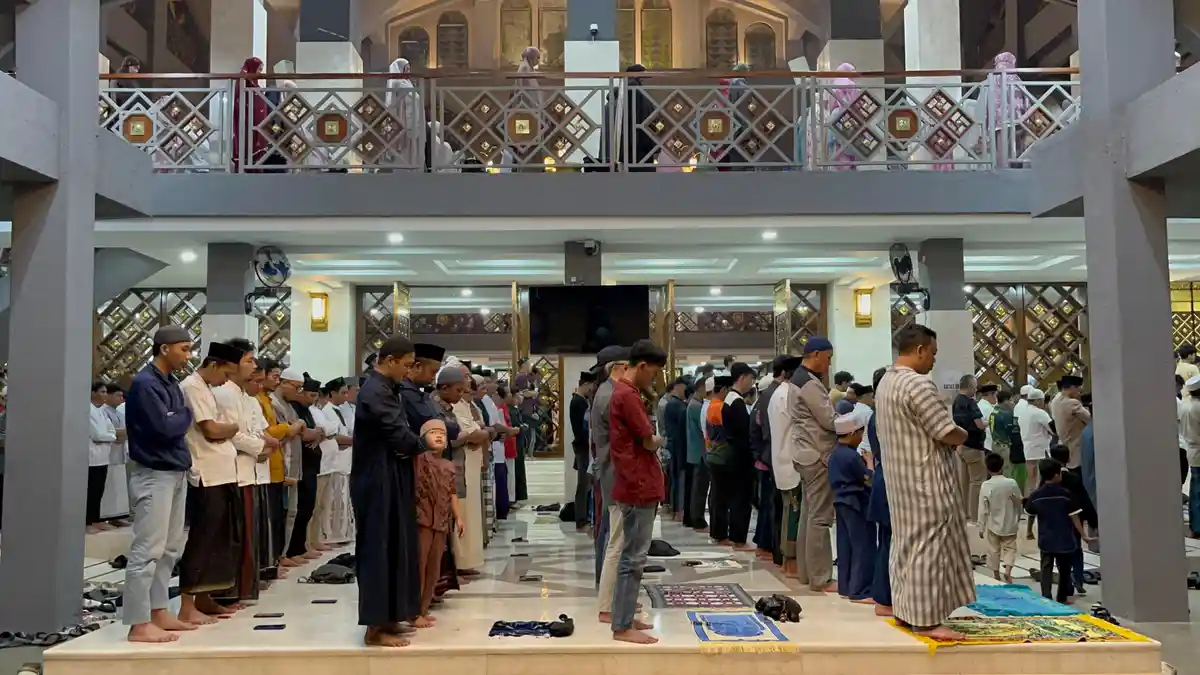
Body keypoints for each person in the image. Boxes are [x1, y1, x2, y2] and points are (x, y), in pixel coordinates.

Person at [875, 325, 972, 640]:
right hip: (926, 480)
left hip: (900, 480)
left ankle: (905, 611)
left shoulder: (887, 382)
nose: (933, 360)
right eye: (932, 353)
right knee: (929, 549)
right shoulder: (918, 385)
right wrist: (965, 434)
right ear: (919, 350)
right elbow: (944, 430)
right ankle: (927, 621)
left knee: (905, 545)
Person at [352, 335, 436, 647]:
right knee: (378, 548)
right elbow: (396, 432)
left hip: (392, 474)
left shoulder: (390, 388)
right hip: (376, 479)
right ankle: (375, 628)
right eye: (405, 365)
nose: (408, 371)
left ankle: (391, 616)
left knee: (397, 545)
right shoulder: (374, 390)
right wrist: (424, 443)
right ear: (389, 361)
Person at [123, 326, 197, 643]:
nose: (188, 355)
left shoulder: (170, 384)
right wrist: (182, 416)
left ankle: (158, 611)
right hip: (153, 471)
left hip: (175, 469)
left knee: (170, 548)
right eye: (184, 348)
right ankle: (138, 623)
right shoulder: (144, 384)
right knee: (147, 549)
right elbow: (165, 427)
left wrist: (180, 415)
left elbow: (180, 417)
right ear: (164, 349)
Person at [176, 340, 249, 626]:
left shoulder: (207, 388)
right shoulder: (192, 387)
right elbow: (211, 429)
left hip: (224, 472)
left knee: (221, 540)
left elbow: (223, 430)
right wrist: (232, 428)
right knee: (202, 540)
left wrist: (228, 429)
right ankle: (186, 604)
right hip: (206, 473)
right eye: (226, 374)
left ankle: (205, 598)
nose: (226, 381)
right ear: (214, 365)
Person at [607, 339, 667, 644]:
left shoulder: (624, 392)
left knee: (632, 557)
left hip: (635, 481)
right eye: (653, 373)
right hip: (637, 484)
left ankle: (625, 617)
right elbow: (645, 440)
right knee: (633, 559)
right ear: (642, 366)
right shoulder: (627, 395)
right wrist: (658, 440)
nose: (653, 379)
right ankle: (621, 626)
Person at [209, 338, 270, 606]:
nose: (254, 366)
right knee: (234, 536)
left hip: (251, 469)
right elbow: (232, 433)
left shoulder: (244, 396)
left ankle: (243, 589)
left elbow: (257, 428)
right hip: (234, 470)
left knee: (249, 535)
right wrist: (260, 447)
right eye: (249, 360)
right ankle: (227, 592)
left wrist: (262, 443)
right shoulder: (224, 394)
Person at [786, 337, 838, 592]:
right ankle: (820, 578)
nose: (829, 364)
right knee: (820, 517)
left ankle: (807, 574)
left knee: (808, 514)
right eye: (828, 358)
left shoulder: (798, 379)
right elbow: (828, 420)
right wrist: (853, 420)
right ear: (816, 354)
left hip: (804, 453)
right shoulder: (808, 383)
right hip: (816, 455)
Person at [438, 363, 489, 573]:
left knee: (469, 513)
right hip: (455, 464)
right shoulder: (443, 405)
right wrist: (481, 434)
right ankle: (459, 564)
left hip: (469, 463)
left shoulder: (463, 404)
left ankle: (468, 561)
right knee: (460, 513)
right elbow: (457, 436)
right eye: (463, 380)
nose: (467, 383)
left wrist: (482, 434)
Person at [413, 418, 463, 628]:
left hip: (441, 521)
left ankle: (423, 609)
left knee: (434, 567)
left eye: (441, 433)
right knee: (419, 566)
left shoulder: (448, 465)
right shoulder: (418, 460)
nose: (439, 436)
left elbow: (452, 493)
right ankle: (413, 611)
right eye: (433, 432)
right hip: (422, 520)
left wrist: (458, 516)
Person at [593, 346, 631, 613]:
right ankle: (609, 606)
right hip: (616, 476)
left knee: (615, 540)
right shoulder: (610, 396)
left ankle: (614, 601)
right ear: (620, 367)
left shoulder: (607, 392)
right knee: (617, 543)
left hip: (612, 475)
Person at [750, 356, 799, 560]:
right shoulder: (777, 394)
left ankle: (770, 546)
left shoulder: (770, 394)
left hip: (770, 456)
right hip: (773, 457)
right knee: (776, 507)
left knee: (774, 505)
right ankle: (776, 550)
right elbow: (767, 431)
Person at [1024, 459, 1091, 603]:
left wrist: (1029, 531)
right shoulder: (1066, 494)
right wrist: (1084, 535)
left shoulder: (1036, 495)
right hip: (1064, 538)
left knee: (1046, 567)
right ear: (1056, 475)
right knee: (1064, 569)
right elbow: (1075, 518)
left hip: (1045, 538)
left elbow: (1030, 513)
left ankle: (1046, 596)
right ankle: (1062, 598)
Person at [707, 363, 756, 550]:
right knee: (740, 499)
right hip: (739, 458)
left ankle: (725, 534)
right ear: (741, 378)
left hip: (730, 456)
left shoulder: (728, 400)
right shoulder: (736, 402)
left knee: (726, 497)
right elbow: (743, 434)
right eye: (750, 379)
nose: (751, 384)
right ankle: (738, 538)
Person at [260, 363, 304, 568]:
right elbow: (270, 432)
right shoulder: (269, 403)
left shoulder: (284, 405)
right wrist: (291, 427)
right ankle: (275, 558)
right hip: (272, 465)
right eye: (297, 387)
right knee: (275, 517)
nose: (300, 392)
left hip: (287, 464)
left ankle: (281, 555)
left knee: (289, 513)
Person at [828, 413, 875, 603]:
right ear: (853, 433)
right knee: (862, 545)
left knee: (845, 545)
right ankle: (859, 590)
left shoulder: (835, 455)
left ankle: (846, 586)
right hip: (856, 502)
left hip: (840, 502)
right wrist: (870, 462)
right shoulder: (851, 457)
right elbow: (868, 478)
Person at [284, 374, 328, 562]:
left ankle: (301, 547)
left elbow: (317, 431)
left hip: (311, 465)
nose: (312, 399)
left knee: (308, 507)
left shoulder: (305, 410)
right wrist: (316, 433)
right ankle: (292, 551)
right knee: (299, 509)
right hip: (299, 464)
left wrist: (317, 433)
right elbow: (304, 434)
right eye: (309, 394)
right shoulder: (294, 409)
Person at [1049, 444, 1097, 596]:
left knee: (1060, 552)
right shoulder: (1074, 478)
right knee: (1077, 550)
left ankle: (1066, 581)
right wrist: (1093, 521)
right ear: (1068, 458)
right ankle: (1079, 579)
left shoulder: (1048, 479)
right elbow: (1084, 499)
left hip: (1056, 521)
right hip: (1075, 522)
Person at [313, 379, 355, 547]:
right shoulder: (327, 411)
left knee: (342, 500)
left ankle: (340, 535)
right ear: (331, 394)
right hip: (334, 461)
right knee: (330, 502)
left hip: (344, 461)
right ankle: (329, 536)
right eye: (343, 393)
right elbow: (335, 437)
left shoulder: (338, 410)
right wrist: (355, 440)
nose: (346, 396)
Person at [865, 367, 892, 615]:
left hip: (885, 478)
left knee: (887, 540)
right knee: (889, 541)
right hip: (889, 480)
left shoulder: (877, 414)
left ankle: (884, 596)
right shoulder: (882, 415)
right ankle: (884, 599)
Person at [977, 452, 1022, 583]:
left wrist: (981, 526)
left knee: (993, 550)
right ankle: (1008, 570)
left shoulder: (986, 485)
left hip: (993, 524)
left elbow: (983, 508)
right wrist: (1018, 517)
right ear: (1002, 467)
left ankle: (996, 574)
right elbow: (1019, 501)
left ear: (987, 468)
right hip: (1010, 523)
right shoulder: (1011, 483)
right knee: (1010, 548)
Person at [952, 375, 988, 522]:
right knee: (977, 481)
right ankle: (975, 515)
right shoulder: (970, 403)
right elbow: (979, 424)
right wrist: (988, 423)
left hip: (961, 445)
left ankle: (965, 513)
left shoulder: (956, 402)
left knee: (964, 482)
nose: (976, 388)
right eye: (975, 385)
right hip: (973, 446)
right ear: (969, 386)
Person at [88, 382, 118, 533]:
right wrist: (111, 437)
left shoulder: (102, 412)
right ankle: (87, 522)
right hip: (91, 458)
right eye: (103, 392)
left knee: (99, 490)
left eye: (106, 392)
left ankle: (95, 520)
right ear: (93, 393)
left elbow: (111, 430)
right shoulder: (88, 409)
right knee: (91, 491)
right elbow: (97, 435)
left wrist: (110, 436)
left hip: (103, 457)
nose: (105, 395)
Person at [387, 58, 425, 170]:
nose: (408, 72)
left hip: (413, 120)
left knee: (413, 151)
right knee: (404, 151)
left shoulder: (407, 83)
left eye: (409, 69)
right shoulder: (397, 82)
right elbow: (393, 102)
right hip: (404, 121)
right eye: (406, 69)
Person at [232, 57, 269, 171]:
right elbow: (241, 104)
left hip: (256, 125)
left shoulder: (254, 85)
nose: (260, 73)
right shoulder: (244, 82)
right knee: (248, 147)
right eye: (258, 69)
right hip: (247, 123)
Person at [570, 371, 596, 532]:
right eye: (592, 386)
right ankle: (581, 520)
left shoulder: (581, 401)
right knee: (583, 484)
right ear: (585, 384)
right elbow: (581, 430)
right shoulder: (578, 402)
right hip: (583, 448)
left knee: (587, 484)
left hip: (584, 447)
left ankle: (585, 517)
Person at [1018, 388, 1053, 499]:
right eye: (1042, 400)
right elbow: (1053, 428)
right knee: (1040, 480)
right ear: (1037, 401)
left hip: (1028, 449)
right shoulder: (1039, 413)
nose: (1043, 403)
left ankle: (1029, 502)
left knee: (1030, 479)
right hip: (1040, 450)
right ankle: (1040, 500)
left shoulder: (1023, 412)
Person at [1049, 375, 1090, 469]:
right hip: (1076, 447)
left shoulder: (1055, 401)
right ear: (1072, 387)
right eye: (1078, 389)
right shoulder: (1072, 403)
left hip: (1063, 445)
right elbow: (1089, 419)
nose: (1079, 392)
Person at [662, 378, 689, 521]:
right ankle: (678, 510)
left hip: (674, 445)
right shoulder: (675, 405)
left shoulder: (674, 404)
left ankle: (675, 509)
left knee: (675, 478)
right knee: (678, 478)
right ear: (678, 386)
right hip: (677, 446)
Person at [990, 391, 1027, 491]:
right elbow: (1012, 431)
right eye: (1011, 400)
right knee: (1007, 470)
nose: (1012, 403)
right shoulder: (1006, 414)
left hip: (995, 443)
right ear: (1006, 401)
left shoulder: (994, 411)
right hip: (1004, 445)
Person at [684, 377, 708, 530]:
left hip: (696, 451)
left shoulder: (695, 404)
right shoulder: (696, 406)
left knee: (697, 487)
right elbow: (703, 426)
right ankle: (696, 518)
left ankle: (694, 517)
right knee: (698, 489)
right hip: (699, 452)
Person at [1182, 375, 1200, 538]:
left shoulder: (1186, 406)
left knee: (1195, 491)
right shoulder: (1198, 408)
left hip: (1192, 451)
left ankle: (1195, 525)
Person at [977, 384, 999, 452]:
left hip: (986, 443)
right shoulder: (986, 408)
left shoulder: (980, 404)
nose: (996, 398)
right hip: (989, 443)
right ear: (990, 394)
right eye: (996, 395)